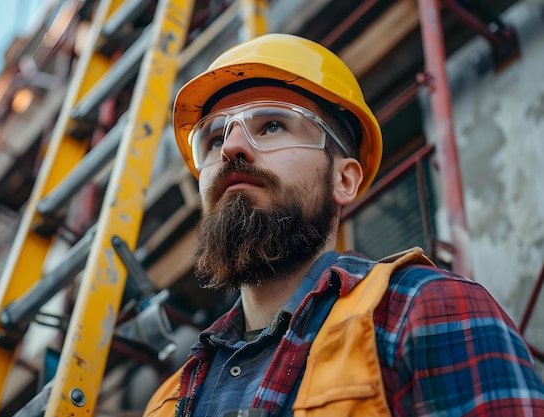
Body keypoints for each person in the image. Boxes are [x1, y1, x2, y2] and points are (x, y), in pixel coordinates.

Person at [143, 33, 544, 416]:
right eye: (213, 139)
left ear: (344, 179)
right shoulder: (166, 402)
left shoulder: (425, 310)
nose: (230, 147)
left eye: (273, 125)